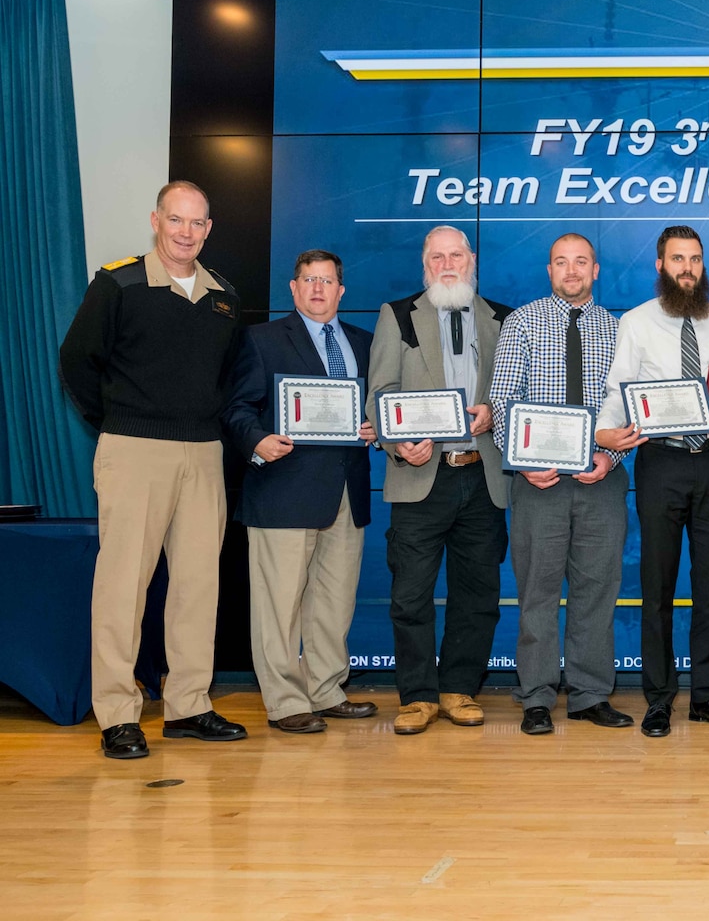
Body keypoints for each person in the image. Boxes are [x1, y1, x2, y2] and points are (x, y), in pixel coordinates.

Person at [58, 180, 248, 758]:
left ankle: (189, 705)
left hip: (204, 454)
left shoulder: (223, 296)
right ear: (155, 220)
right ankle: (117, 713)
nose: (185, 232)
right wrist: (117, 419)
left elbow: (225, 378)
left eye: (196, 223)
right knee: (122, 587)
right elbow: (76, 361)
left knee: (198, 585)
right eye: (175, 220)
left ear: (208, 229)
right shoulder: (118, 284)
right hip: (134, 449)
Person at [593, 226, 709, 737]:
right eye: (678, 259)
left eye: (696, 259)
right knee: (657, 588)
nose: (688, 268)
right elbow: (617, 387)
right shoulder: (636, 322)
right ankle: (659, 698)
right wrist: (603, 430)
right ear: (660, 265)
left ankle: (707, 696)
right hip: (659, 461)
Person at [222, 249, 378, 734]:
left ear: (341, 291)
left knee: (334, 602)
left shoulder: (364, 342)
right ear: (293, 288)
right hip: (283, 489)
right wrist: (257, 440)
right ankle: (286, 701)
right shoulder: (262, 339)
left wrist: (377, 426)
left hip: (347, 491)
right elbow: (235, 409)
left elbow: (375, 406)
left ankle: (326, 689)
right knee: (280, 604)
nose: (317, 289)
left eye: (327, 281)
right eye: (308, 280)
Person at [367, 226, 512, 736]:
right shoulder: (397, 314)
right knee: (410, 594)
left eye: (455, 255)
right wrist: (398, 441)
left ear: (471, 260)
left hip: (482, 477)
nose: (447, 264)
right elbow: (381, 393)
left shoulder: (503, 318)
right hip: (419, 477)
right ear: (424, 263)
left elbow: (516, 392)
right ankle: (418, 696)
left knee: (478, 593)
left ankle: (458, 689)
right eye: (437, 256)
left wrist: (496, 412)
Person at [489, 233, 633, 735]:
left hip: (601, 480)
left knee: (598, 589)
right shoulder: (522, 321)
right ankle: (536, 695)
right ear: (549, 270)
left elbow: (628, 406)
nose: (571, 271)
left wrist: (612, 455)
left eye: (581, 262)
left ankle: (591, 694)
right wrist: (522, 461)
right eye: (561, 262)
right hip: (538, 482)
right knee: (538, 590)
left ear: (596, 270)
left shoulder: (620, 330)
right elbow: (503, 399)